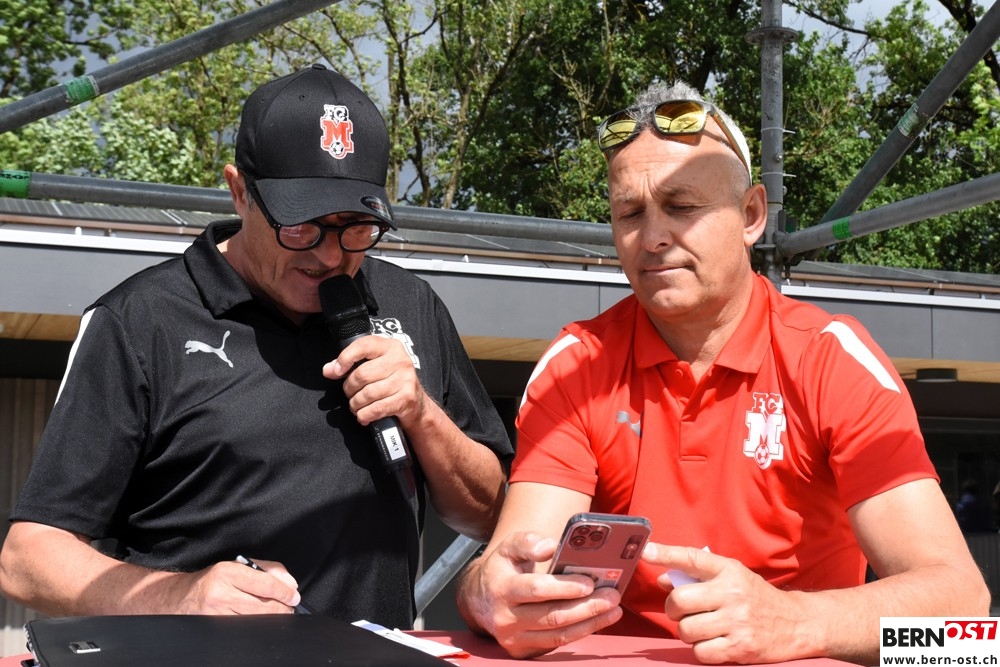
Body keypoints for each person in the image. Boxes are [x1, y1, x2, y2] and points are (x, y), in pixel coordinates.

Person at [455, 80, 989, 665]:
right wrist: (485, 598)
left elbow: (966, 621)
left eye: (682, 207)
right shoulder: (576, 363)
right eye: (629, 213)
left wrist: (795, 622)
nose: (653, 237)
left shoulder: (830, 359)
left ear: (752, 214)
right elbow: (509, 569)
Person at [0, 64, 513, 629]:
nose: (330, 255)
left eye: (356, 227)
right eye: (300, 226)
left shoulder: (411, 303)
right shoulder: (140, 320)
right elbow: (28, 560)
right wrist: (178, 597)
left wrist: (421, 414)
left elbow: (491, 515)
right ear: (239, 191)